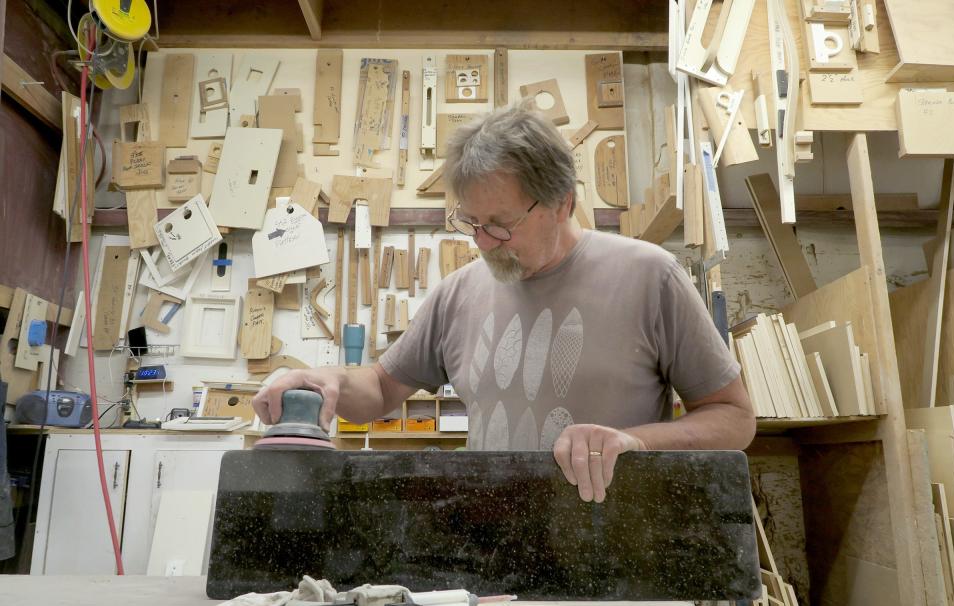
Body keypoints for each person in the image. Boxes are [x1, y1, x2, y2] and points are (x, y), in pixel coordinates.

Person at [253, 103, 756, 504]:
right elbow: (381, 388)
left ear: (562, 203)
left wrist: (637, 443)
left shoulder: (650, 276)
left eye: (500, 223)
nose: (483, 242)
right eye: (470, 223)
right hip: (493, 550)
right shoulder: (459, 292)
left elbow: (734, 419)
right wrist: (325, 381)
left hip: (614, 553)